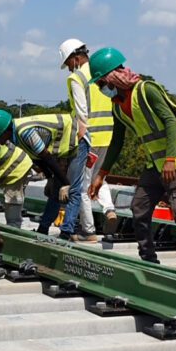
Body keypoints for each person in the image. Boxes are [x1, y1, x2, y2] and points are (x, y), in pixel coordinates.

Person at [87, 47, 176, 272]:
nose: (101, 89)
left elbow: (170, 121)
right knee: (139, 208)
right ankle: (148, 260)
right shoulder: (118, 105)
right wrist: (101, 174)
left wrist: (170, 159)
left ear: (112, 78)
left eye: (101, 83)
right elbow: (117, 141)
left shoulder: (146, 90)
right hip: (155, 166)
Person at [0, 111, 85, 240]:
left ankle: (66, 232)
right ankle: (43, 229)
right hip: (63, 149)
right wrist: (50, 178)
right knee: (55, 191)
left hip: (78, 138)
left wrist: (66, 183)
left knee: (73, 189)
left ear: (4, 131)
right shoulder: (15, 137)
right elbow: (37, 158)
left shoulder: (25, 132)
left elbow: (46, 156)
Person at [59, 38, 118, 241]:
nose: (68, 68)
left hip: (89, 137)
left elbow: (81, 111)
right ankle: (109, 209)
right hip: (109, 135)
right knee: (99, 177)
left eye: (68, 63)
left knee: (82, 185)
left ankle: (89, 230)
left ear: (75, 58)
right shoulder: (102, 71)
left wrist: (81, 136)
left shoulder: (77, 78)